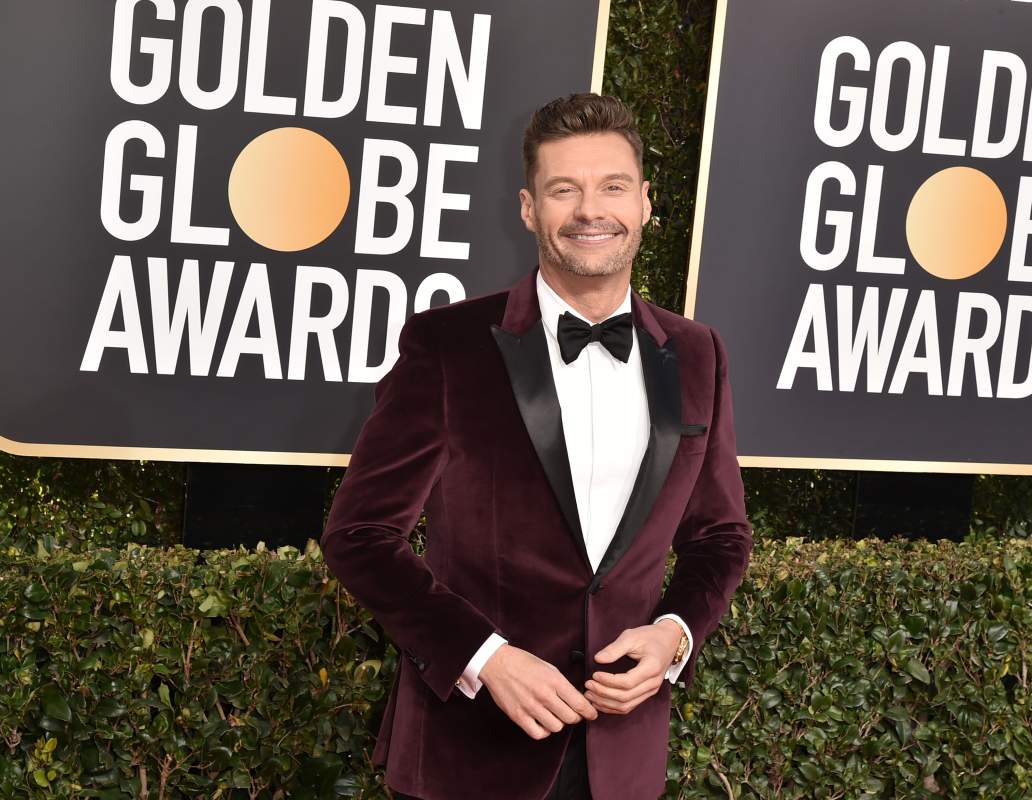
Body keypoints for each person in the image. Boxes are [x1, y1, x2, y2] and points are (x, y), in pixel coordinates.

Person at [320, 93, 752, 800]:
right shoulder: (447, 346)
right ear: (529, 208)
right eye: (564, 189)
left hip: (622, 758)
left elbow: (722, 535)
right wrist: (484, 658)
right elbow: (360, 534)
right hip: (470, 754)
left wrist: (675, 634)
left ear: (645, 203)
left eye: (612, 186)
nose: (591, 210)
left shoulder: (700, 353)